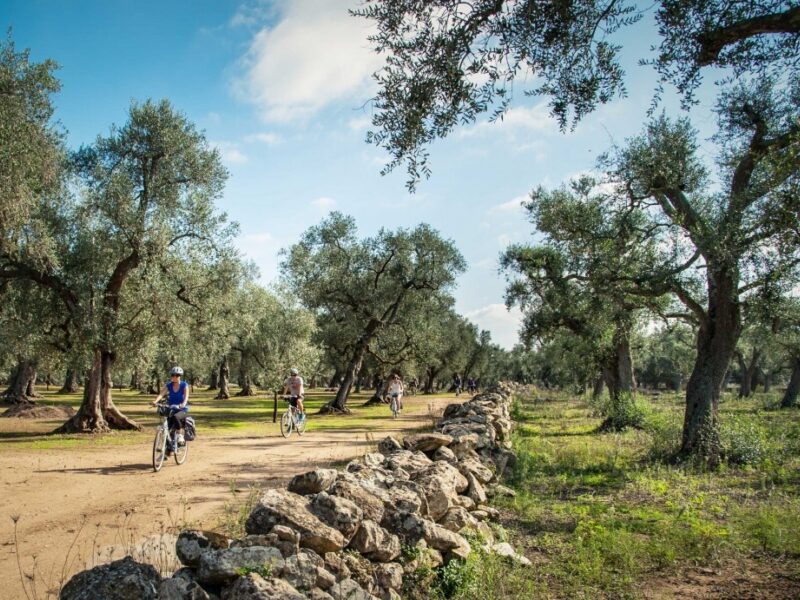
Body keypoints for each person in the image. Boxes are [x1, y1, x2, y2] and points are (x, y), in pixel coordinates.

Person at [151, 366, 189, 453]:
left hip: (182, 409)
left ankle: (180, 435)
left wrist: (183, 404)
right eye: (173, 375)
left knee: (176, 417)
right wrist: (155, 401)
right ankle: (167, 449)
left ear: (180, 376)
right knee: (167, 427)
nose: (175, 377)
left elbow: (186, 397)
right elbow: (161, 394)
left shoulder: (184, 385)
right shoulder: (169, 385)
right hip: (171, 408)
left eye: (177, 375)